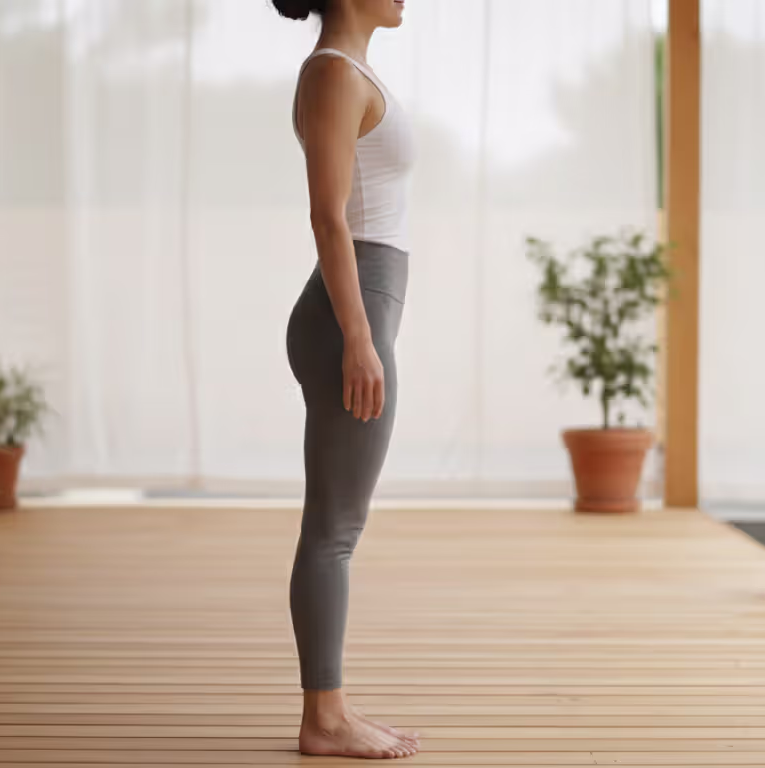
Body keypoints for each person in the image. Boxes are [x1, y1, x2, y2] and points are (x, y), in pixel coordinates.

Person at [277, 0, 419, 759]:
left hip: (357, 312)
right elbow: (329, 217)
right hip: (348, 319)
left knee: (337, 529)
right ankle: (324, 719)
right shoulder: (332, 73)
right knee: (333, 533)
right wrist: (359, 339)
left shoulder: (350, 70)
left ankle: (330, 710)